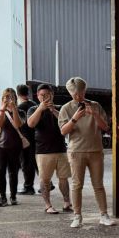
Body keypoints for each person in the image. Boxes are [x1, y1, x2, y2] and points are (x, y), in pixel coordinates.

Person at [58, 76, 114, 228]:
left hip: (96, 150)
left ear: (84, 90)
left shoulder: (95, 105)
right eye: (75, 94)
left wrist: (94, 114)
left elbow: (105, 127)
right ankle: (77, 216)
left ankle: (104, 215)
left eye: (80, 93)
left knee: (98, 184)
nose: (78, 96)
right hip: (76, 151)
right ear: (70, 93)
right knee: (77, 185)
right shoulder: (66, 108)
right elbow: (63, 131)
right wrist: (75, 118)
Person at [27, 84, 72, 214]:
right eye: (42, 95)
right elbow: (30, 124)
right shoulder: (33, 109)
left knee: (64, 178)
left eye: (48, 95)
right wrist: (40, 109)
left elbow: (67, 123)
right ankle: (48, 205)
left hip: (61, 149)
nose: (45, 97)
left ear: (52, 95)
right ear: (38, 96)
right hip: (43, 151)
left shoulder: (60, 108)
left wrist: (53, 110)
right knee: (45, 179)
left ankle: (67, 202)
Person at [0, 88, 24, 207]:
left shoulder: (20, 112)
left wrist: (14, 109)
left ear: (15, 99)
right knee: (0, 171)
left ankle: (13, 196)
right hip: (0, 145)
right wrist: (3, 110)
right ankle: (2, 197)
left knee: (13, 172)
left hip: (15, 145)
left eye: (11, 97)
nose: (8, 99)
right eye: (6, 97)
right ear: (2, 99)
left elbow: (17, 124)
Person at [17, 84, 38, 195]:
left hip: (24, 138)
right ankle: (48, 184)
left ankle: (28, 187)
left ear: (18, 94)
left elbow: (18, 124)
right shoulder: (35, 104)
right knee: (35, 161)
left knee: (26, 163)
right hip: (35, 136)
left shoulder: (19, 108)